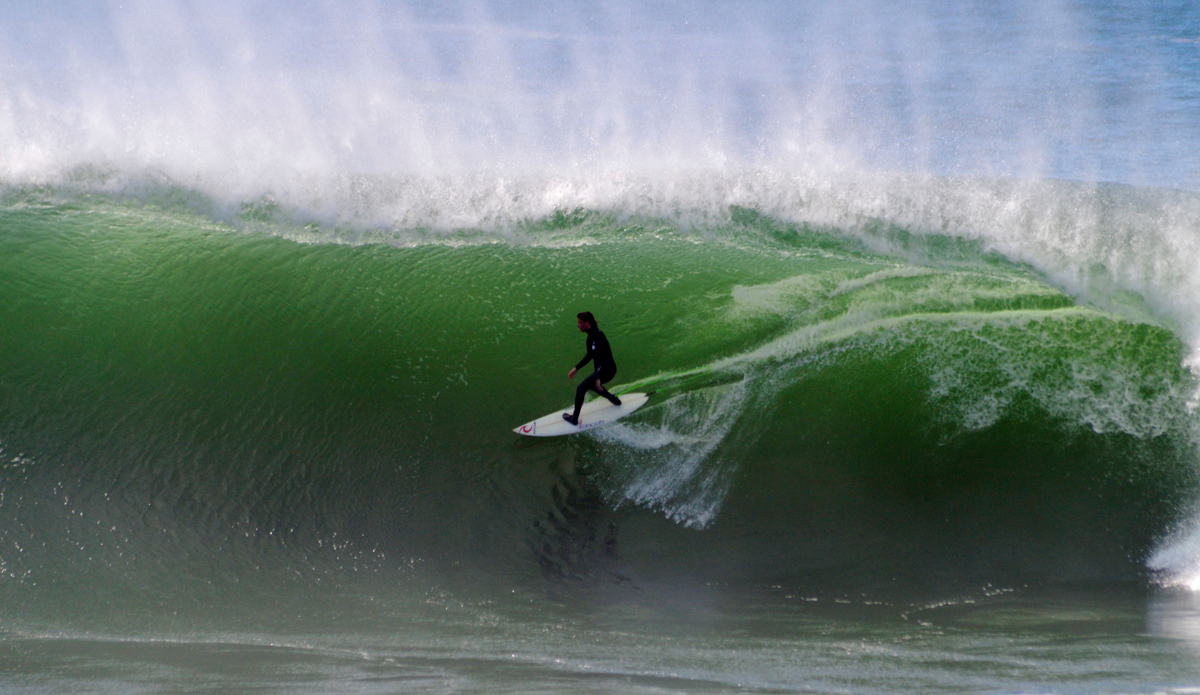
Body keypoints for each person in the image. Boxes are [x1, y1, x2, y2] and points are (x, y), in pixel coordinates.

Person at [564, 311, 621, 425]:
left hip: (606, 370)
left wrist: (598, 378)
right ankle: (613, 399)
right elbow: (590, 354)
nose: (578, 325)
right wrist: (576, 368)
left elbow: (598, 359)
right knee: (594, 386)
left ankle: (574, 419)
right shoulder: (593, 335)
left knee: (581, 388)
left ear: (587, 323)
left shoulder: (594, 337)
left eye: (580, 323)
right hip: (609, 368)